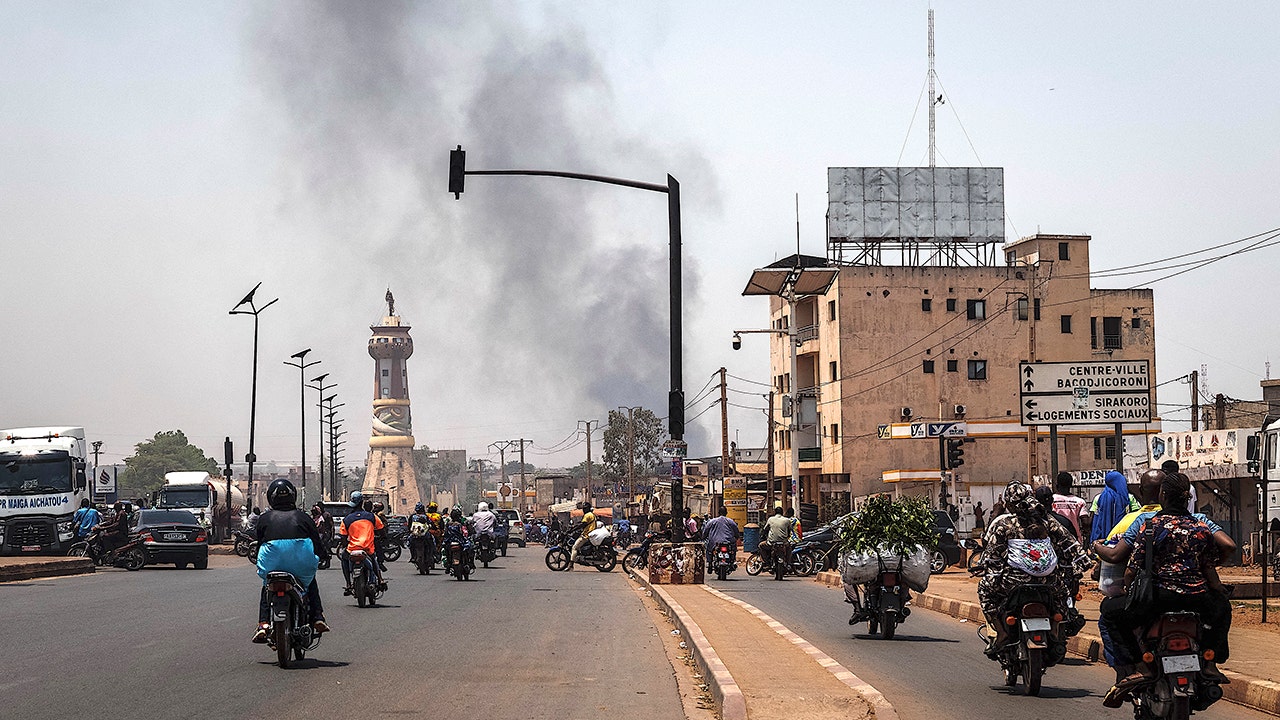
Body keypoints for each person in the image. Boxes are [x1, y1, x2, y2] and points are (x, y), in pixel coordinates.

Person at [1100, 472, 1232, 706]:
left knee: (1110, 612)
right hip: (1197, 598)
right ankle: (1211, 663)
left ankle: (1140, 667)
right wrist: (1218, 590)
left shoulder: (1150, 526)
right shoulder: (1200, 527)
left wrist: (1130, 591)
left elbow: (1131, 570)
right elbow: (1209, 568)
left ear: (1163, 495)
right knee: (1223, 608)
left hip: (1158, 599)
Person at [977, 480, 1090, 660]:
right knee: (1063, 595)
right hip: (1048, 582)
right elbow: (1070, 543)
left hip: (1013, 582)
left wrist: (988, 568)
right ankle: (1055, 630)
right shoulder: (1047, 521)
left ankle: (1001, 634)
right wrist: (1084, 561)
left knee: (984, 590)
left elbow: (992, 554)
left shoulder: (1004, 524)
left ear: (1010, 503)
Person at [252, 478, 329, 643]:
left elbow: (260, 544)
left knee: (267, 588)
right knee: (310, 584)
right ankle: (317, 617)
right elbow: (316, 542)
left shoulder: (264, 519)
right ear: (293, 495)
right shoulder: (303, 517)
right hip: (301, 565)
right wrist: (323, 555)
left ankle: (263, 623)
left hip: (271, 564)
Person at [338, 491, 386, 592]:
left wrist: (346, 544)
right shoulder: (372, 517)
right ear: (362, 503)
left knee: (344, 558)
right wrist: (382, 537)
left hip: (352, 549)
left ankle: (348, 583)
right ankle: (380, 579)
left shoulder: (346, 519)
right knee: (374, 559)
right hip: (367, 548)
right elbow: (382, 530)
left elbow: (343, 538)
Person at [1089, 471, 1138, 545]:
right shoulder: (1129, 498)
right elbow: (1137, 517)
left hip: (1101, 540)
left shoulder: (1098, 498)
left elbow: (1092, 519)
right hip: (1123, 540)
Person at [1051, 471, 1090, 543]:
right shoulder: (1079, 502)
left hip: (1055, 538)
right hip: (1074, 539)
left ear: (1057, 485)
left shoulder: (1052, 499)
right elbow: (1086, 522)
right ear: (1071, 485)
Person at [570, 502, 600, 566]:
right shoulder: (592, 514)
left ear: (587, 509)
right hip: (591, 534)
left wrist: (573, 529)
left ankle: (571, 565)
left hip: (586, 535)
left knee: (574, 548)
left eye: (584, 508)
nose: (583, 510)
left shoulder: (587, 515)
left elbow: (583, 524)